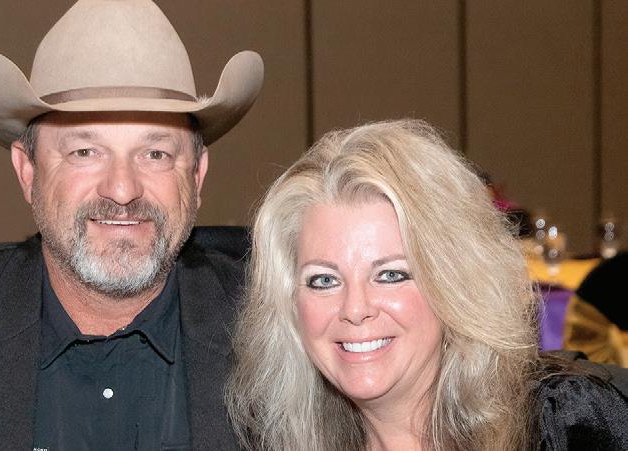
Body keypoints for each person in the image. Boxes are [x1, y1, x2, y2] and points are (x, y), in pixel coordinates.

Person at [0, 0, 262, 449]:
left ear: (197, 176)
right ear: (28, 171)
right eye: (84, 152)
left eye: (156, 154)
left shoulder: (278, 328)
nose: (122, 189)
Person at [226, 120, 628, 450]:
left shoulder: (571, 426)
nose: (355, 309)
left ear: (454, 284)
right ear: (290, 306)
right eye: (324, 280)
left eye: (391, 275)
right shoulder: (277, 441)